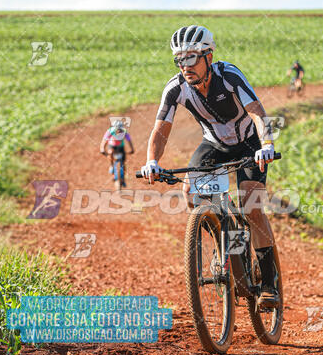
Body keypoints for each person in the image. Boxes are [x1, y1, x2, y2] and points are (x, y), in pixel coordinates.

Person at [141, 25, 280, 307]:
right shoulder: (176, 88)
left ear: (208, 55)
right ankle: (221, 242)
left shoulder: (228, 75)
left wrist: (266, 145)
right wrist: (152, 162)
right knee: (191, 192)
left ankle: (269, 283)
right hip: (214, 144)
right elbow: (160, 130)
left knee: (251, 206)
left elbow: (257, 112)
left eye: (191, 58)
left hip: (249, 143)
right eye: (179, 60)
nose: (185, 66)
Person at [100, 120, 134, 186]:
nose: (119, 131)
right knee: (110, 152)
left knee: (123, 162)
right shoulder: (110, 131)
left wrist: (132, 149)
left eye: (120, 130)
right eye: (117, 129)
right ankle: (112, 165)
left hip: (121, 146)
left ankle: (123, 179)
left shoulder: (125, 132)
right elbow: (104, 141)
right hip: (112, 145)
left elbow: (129, 141)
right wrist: (102, 149)